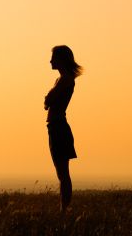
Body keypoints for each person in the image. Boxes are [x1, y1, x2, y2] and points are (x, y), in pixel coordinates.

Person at [44, 45, 82, 212]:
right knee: (62, 173)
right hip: (56, 126)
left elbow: (49, 99)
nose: (50, 61)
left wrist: (48, 98)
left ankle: (64, 210)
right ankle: (63, 209)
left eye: (53, 57)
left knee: (63, 174)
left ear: (61, 59)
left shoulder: (65, 79)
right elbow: (49, 101)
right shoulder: (63, 79)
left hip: (58, 127)